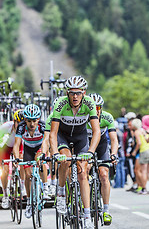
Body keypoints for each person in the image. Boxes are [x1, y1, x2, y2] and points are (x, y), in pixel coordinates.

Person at [49, 76, 100, 229]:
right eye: (72, 93)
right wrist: (54, 153)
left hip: (80, 138)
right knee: (66, 159)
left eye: (78, 93)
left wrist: (91, 152)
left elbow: (96, 131)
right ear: (67, 93)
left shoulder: (90, 103)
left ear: (84, 92)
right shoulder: (60, 104)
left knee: (83, 172)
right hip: (63, 136)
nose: (75, 96)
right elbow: (53, 133)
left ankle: (86, 215)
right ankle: (61, 192)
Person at [13, 104, 50, 219]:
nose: (32, 124)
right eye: (29, 121)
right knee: (28, 175)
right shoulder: (21, 127)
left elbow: (46, 142)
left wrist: (44, 154)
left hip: (40, 147)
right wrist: (16, 158)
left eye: (34, 121)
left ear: (38, 119)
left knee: (40, 160)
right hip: (28, 149)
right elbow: (16, 144)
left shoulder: (43, 126)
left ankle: (45, 187)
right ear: (25, 120)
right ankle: (29, 202)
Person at [87, 93, 118, 225]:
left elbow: (114, 139)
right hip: (86, 143)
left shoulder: (107, 117)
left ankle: (106, 210)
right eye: (93, 108)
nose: (96, 111)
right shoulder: (83, 117)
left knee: (104, 175)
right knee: (85, 169)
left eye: (98, 108)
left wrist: (113, 154)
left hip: (101, 145)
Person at [0, 109, 24, 209]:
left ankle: (22, 186)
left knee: (22, 162)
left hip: (18, 146)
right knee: (4, 171)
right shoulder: (6, 127)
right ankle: (5, 195)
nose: (20, 125)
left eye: (23, 123)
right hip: (6, 148)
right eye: (18, 122)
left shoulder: (25, 128)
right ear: (14, 121)